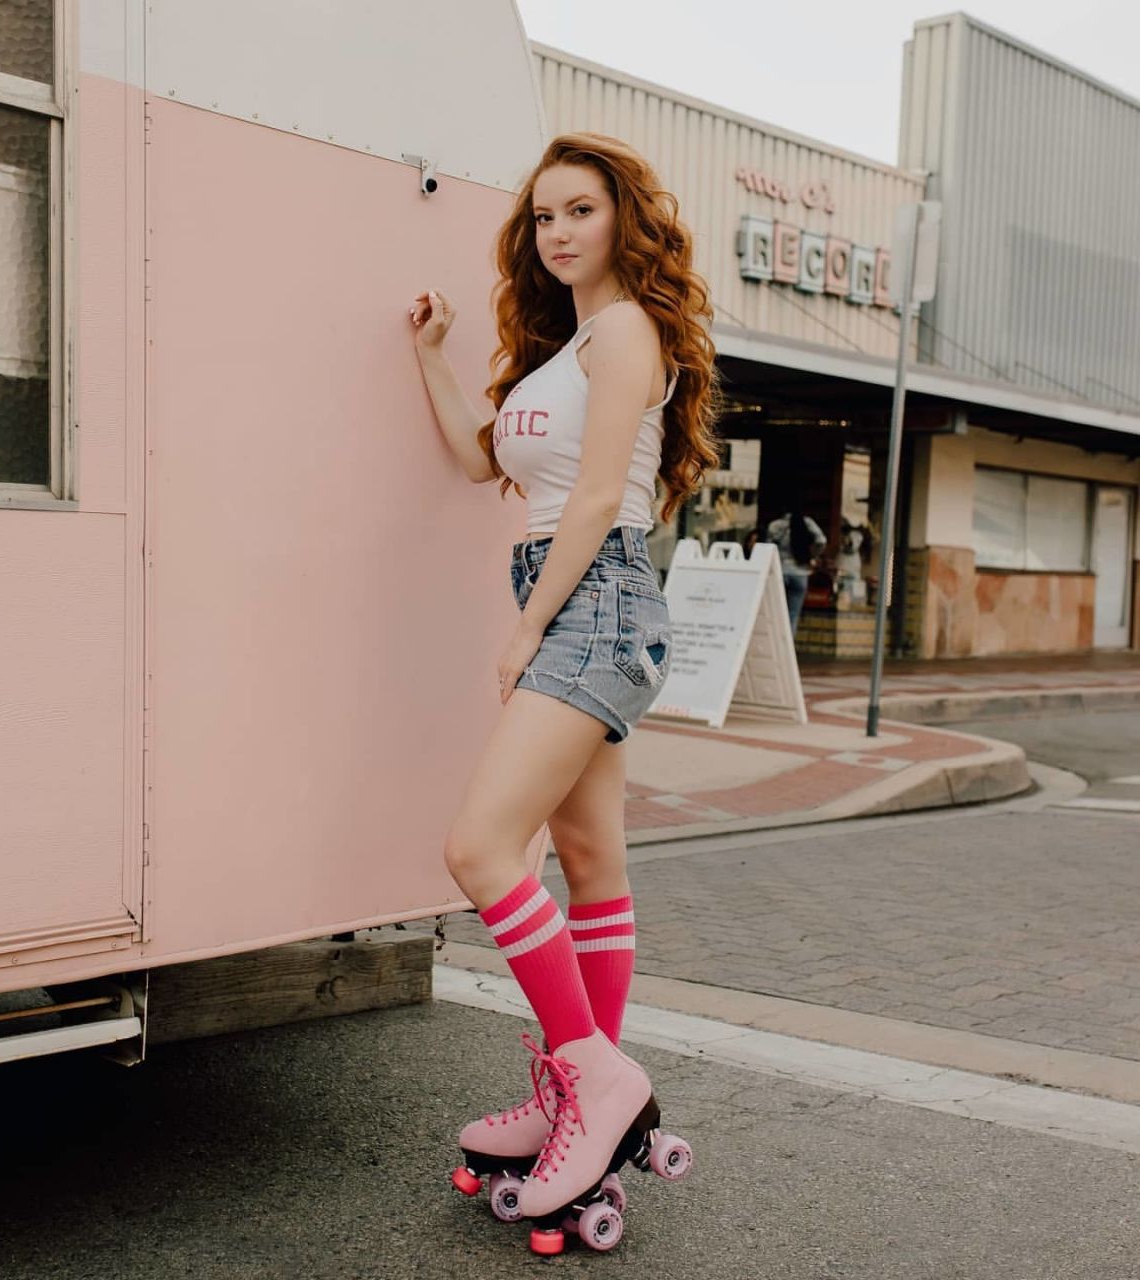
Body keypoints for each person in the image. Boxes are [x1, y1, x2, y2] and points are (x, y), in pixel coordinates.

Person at [407, 132, 719, 1254]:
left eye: (579, 210)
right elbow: (480, 456)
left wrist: (526, 630)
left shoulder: (628, 327)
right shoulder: (566, 346)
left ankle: (593, 1080)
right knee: (589, 866)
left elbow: (596, 500)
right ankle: (571, 1091)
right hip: (576, 598)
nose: (558, 232)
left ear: (620, 218)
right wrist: (432, 356)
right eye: (543, 217)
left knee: (480, 848)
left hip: (592, 601)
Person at [766, 507, 826, 637]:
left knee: (776, 612)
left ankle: (775, 643)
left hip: (780, 571)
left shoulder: (775, 525)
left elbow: (768, 546)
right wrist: (811, 556)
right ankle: (788, 647)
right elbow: (821, 541)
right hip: (800, 572)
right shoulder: (807, 522)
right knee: (793, 615)